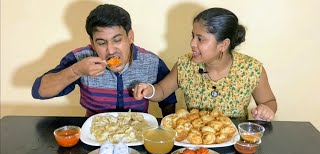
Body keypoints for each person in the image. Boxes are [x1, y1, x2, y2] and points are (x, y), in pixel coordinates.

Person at [133, 7, 277, 121]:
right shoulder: (185, 64)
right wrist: (149, 90)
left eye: (200, 39)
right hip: (193, 142)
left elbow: (269, 101)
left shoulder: (251, 69)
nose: (192, 43)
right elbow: (162, 91)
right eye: (193, 36)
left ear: (223, 44)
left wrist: (266, 110)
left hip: (234, 144)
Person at [32, 4, 176, 117]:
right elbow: (40, 91)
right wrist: (76, 70)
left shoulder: (151, 62)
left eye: (117, 40)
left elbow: (168, 99)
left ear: (130, 37)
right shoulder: (80, 59)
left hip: (137, 134)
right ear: (92, 43)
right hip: (95, 135)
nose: (111, 50)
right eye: (101, 43)